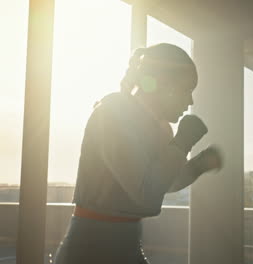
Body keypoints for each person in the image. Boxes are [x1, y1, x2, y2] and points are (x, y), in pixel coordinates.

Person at [53, 43, 222, 264]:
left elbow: (163, 183)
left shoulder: (156, 128)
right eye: (186, 90)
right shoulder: (112, 115)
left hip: (124, 245)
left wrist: (197, 167)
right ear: (164, 85)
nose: (190, 101)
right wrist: (182, 143)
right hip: (91, 249)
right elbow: (146, 197)